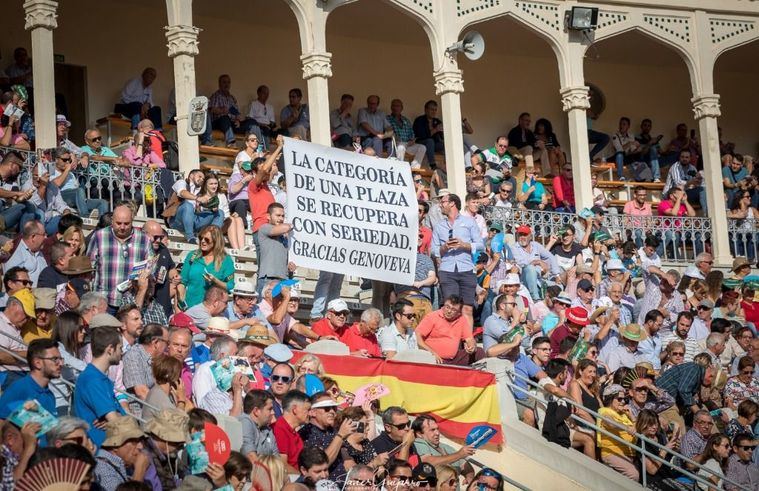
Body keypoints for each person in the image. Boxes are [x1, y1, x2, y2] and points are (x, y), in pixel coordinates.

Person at [431, 194, 483, 328]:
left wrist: (464, 245)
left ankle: (467, 342)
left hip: (466, 269)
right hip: (447, 271)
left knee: (467, 309)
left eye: (443, 202)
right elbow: (433, 250)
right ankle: (453, 342)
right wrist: (444, 247)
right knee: (451, 309)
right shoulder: (439, 226)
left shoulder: (469, 222)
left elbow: (481, 245)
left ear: (452, 203)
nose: (440, 205)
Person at [87, 204, 150, 310]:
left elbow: (151, 265)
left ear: (132, 221)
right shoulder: (99, 236)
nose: (122, 227)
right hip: (103, 301)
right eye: (118, 223)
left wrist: (147, 272)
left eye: (126, 223)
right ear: (112, 220)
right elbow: (89, 267)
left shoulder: (144, 239)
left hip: (130, 301)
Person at [72, 326, 125, 447]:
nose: (121, 352)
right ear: (110, 349)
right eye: (120, 348)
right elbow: (116, 422)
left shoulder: (100, 377)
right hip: (101, 449)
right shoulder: (92, 380)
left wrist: (120, 417)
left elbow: (119, 418)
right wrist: (117, 418)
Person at [0, 338, 60, 419]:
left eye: (61, 359)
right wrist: (25, 432)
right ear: (37, 363)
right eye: (55, 359)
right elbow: (2, 424)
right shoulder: (19, 389)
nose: (60, 363)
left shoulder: (50, 394)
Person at [178, 225, 234, 309]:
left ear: (216, 241)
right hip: (190, 308)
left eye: (207, 239)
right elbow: (182, 282)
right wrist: (181, 305)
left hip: (212, 311)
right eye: (201, 238)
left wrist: (215, 281)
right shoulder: (192, 256)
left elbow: (230, 286)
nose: (203, 241)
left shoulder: (226, 260)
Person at [416, 295, 480, 366]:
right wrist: (432, 353)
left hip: (453, 359)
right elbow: (417, 336)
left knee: (479, 352)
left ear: (459, 312)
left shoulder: (462, 319)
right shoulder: (432, 316)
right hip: (434, 359)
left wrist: (471, 346)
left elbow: (469, 338)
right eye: (447, 307)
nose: (449, 311)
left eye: (453, 310)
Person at [122, 323, 168, 419]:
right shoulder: (133, 356)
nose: (167, 347)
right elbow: (141, 392)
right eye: (166, 343)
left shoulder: (157, 359)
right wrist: (165, 414)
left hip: (155, 413)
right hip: (142, 416)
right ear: (155, 342)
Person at [94, 415, 150, 489]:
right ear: (115, 446)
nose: (140, 446)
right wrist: (139, 471)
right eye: (134, 442)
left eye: (140, 440)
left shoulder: (123, 463)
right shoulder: (102, 468)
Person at [50, 146, 107, 219]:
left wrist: (75, 157)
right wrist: (67, 170)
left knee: (102, 202)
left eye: (69, 160)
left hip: (77, 197)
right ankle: (85, 216)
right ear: (56, 160)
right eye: (65, 160)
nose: (67, 162)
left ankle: (101, 223)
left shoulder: (71, 173)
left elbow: (83, 154)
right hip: (61, 196)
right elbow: (55, 184)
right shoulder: (52, 171)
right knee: (79, 190)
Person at [412, 414, 474, 479]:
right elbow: (427, 462)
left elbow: (464, 465)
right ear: (419, 434)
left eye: (437, 429)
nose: (437, 433)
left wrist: (469, 476)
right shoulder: (418, 442)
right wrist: (459, 454)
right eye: (432, 430)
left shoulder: (444, 446)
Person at [248, 135, 285, 239]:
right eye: (264, 169)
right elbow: (264, 169)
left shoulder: (266, 187)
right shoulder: (253, 185)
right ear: (255, 172)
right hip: (262, 229)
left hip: (274, 230)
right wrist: (279, 147)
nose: (267, 171)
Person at [209, 74, 257, 147]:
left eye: (228, 82)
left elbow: (237, 113)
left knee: (252, 122)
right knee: (225, 118)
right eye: (224, 82)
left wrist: (237, 120)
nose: (226, 84)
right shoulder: (216, 96)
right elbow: (212, 109)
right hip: (219, 123)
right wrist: (222, 110)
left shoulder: (231, 98)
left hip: (231, 124)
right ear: (219, 84)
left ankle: (257, 146)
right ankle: (231, 143)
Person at [257, 202, 293, 295]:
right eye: (278, 215)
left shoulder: (285, 235)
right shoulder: (264, 228)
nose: (281, 218)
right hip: (268, 278)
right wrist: (294, 224)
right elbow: (286, 227)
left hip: (284, 279)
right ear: (268, 216)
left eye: (283, 216)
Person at [273, 390, 311, 470]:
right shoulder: (279, 429)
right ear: (295, 409)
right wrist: (305, 478)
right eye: (307, 409)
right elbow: (282, 465)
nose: (310, 414)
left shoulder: (293, 432)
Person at [238, 389, 279, 462]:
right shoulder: (244, 421)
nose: (273, 412)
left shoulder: (268, 430)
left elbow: (277, 460)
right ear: (256, 411)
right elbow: (250, 456)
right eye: (270, 409)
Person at [386, 99, 426, 168]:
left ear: (402, 108)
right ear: (391, 108)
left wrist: (412, 140)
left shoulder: (406, 120)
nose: (395, 108)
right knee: (401, 146)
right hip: (395, 144)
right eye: (393, 106)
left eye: (397, 106)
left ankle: (414, 169)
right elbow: (387, 132)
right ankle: (399, 168)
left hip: (408, 145)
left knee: (422, 147)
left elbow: (412, 134)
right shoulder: (387, 119)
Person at [4, 220, 46, 286]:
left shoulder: (40, 249)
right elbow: (12, 283)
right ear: (33, 237)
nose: (46, 237)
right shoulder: (15, 252)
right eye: (43, 234)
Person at [413, 100, 445, 168]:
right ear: (426, 109)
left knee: (445, 145)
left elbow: (441, 137)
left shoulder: (437, 121)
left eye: (435, 110)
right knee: (430, 141)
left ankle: (449, 165)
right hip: (421, 143)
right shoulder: (419, 120)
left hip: (434, 145)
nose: (434, 112)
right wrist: (436, 129)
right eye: (431, 109)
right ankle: (432, 164)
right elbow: (423, 136)